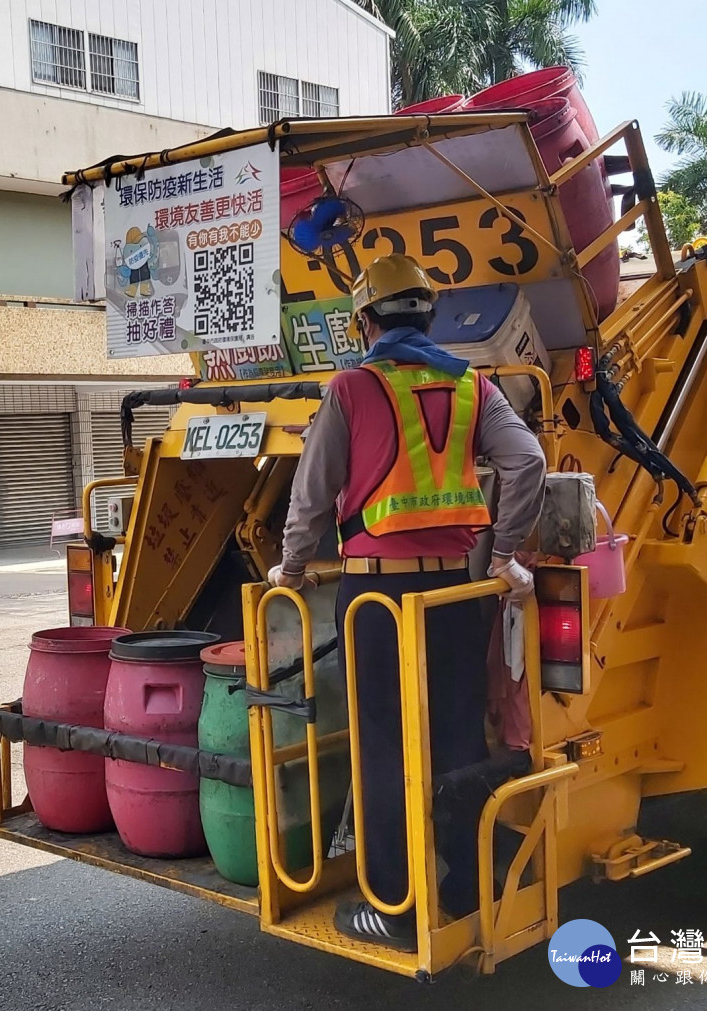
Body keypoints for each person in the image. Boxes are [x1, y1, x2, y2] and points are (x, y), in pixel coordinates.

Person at [268, 253, 546, 952]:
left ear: (366, 321)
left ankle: (393, 897)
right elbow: (529, 462)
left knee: (383, 742)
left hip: (377, 602)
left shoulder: (352, 388)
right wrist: (505, 554)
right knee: (454, 733)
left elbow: (312, 493)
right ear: (429, 315)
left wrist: (291, 566)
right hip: (454, 591)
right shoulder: (473, 387)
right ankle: (466, 880)